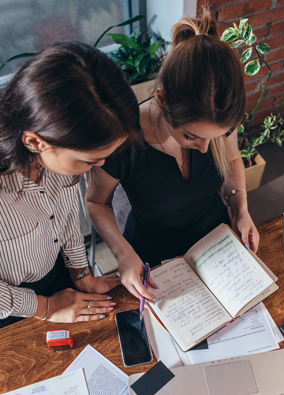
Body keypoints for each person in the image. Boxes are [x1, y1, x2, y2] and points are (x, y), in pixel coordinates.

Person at [86, 9, 259, 302]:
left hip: (215, 241)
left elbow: (231, 159)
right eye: (191, 136)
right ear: (162, 99)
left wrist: (240, 206)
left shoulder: (219, 114)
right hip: (152, 256)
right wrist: (122, 253)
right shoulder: (123, 137)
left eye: (213, 137)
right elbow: (95, 202)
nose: (205, 149)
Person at [0, 41, 143, 328]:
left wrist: (82, 276)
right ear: (35, 142)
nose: (100, 165)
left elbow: (65, 221)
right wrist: (47, 307)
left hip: (56, 276)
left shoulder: (56, 158)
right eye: (90, 160)